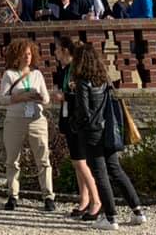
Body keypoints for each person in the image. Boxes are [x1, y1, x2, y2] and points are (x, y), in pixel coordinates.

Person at [74, 43, 146, 230]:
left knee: (100, 174)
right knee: (116, 170)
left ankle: (111, 217)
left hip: (92, 132)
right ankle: (137, 211)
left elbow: (83, 112)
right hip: (108, 130)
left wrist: (76, 126)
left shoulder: (82, 82)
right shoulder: (104, 79)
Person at [0, 39, 54, 211]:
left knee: (43, 158)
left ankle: (48, 196)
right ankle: (13, 195)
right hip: (15, 119)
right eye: (24, 54)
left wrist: (39, 98)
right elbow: (3, 99)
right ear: (16, 56)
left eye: (29, 54)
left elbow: (47, 100)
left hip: (36, 119)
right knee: (12, 159)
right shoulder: (9, 75)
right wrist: (21, 97)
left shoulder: (37, 75)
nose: (27, 57)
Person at [54, 37, 100, 220]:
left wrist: (65, 97)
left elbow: (82, 97)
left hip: (78, 121)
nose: (55, 53)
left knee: (81, 162)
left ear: (65, 50)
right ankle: (84, 198)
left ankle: (96, 200)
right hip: (68, 120)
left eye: (57, 49)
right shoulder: (64, 70)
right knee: (76, 162)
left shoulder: (77, 70)